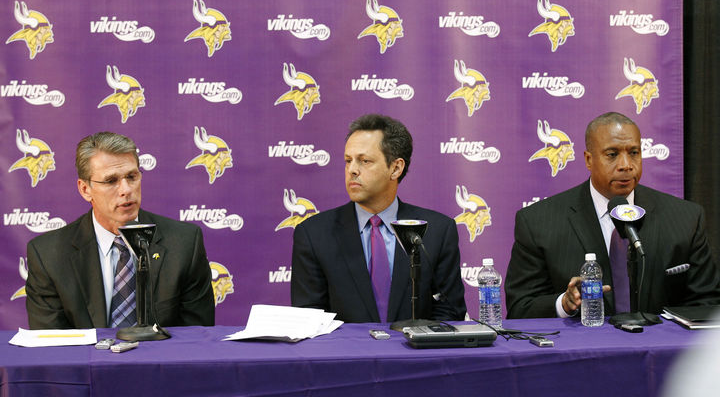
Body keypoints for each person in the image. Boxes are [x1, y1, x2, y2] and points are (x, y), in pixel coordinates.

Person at [505, 112, 720, 319]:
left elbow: (707, 302)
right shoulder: (538, 223)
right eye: (612, 154)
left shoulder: (685, 218)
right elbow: (520, 307)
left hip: (660, 344)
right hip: (584, 344)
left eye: (634, 153)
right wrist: (564, 303)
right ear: (588, 160)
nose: (626, 165)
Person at [25, 132, 215, 329]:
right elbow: (51, 343)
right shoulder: (49, 256)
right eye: (111, 181)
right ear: (85, 189)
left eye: (131, 177)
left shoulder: (184, 245)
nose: (126, 190)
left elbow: (197, 338)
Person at [291, 114, 467, 323]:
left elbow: (449, 314)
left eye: (364, 161)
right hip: (345, 345)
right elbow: (310, 320)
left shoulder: (437, 230)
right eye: (348, 161)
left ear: (396, 168)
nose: (352, 170)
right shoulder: (314, 234)